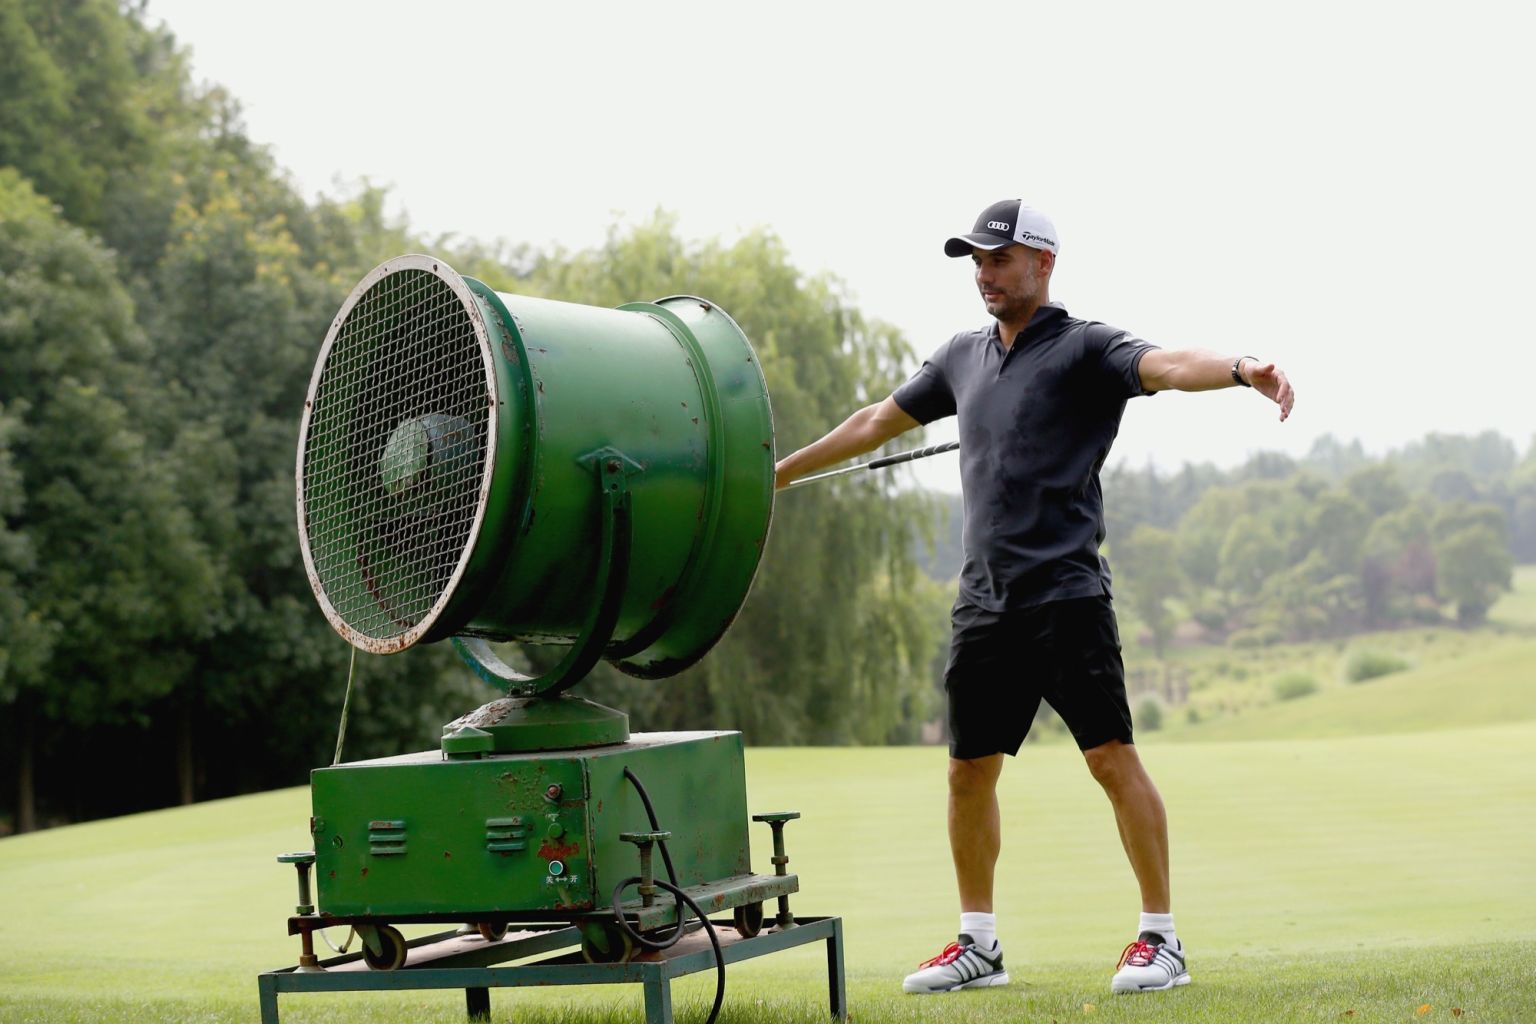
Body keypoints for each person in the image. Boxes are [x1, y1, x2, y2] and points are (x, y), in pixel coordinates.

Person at [773, 199, 1295, 996]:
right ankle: (977, 943)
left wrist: (1240, 369)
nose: (983, 274)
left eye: (998, 259)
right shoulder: (961, 356)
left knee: (1111, 760)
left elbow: (1166, 365)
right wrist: (777, 472)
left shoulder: (1087, 347)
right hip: (985, 602)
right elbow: (879, 418)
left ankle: (1162, 941)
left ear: (1042, 263)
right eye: (976, 261)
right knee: (966, 773)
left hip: (1066, 595)